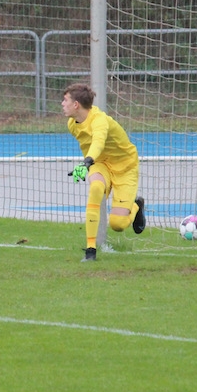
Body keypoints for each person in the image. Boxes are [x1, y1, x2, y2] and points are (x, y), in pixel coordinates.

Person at [61, 82, 145, 261]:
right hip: (100, 163)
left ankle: (137, 206)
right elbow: (91, 146)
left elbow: (98, 142)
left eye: (65, 100)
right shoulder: (72, 124)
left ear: (76, 105)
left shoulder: (99, 120)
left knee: (118, 224)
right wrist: (90, 162)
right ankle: (90, 250)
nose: (62, 103)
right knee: (96, 187)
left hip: (125, 166)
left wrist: (86, 162)